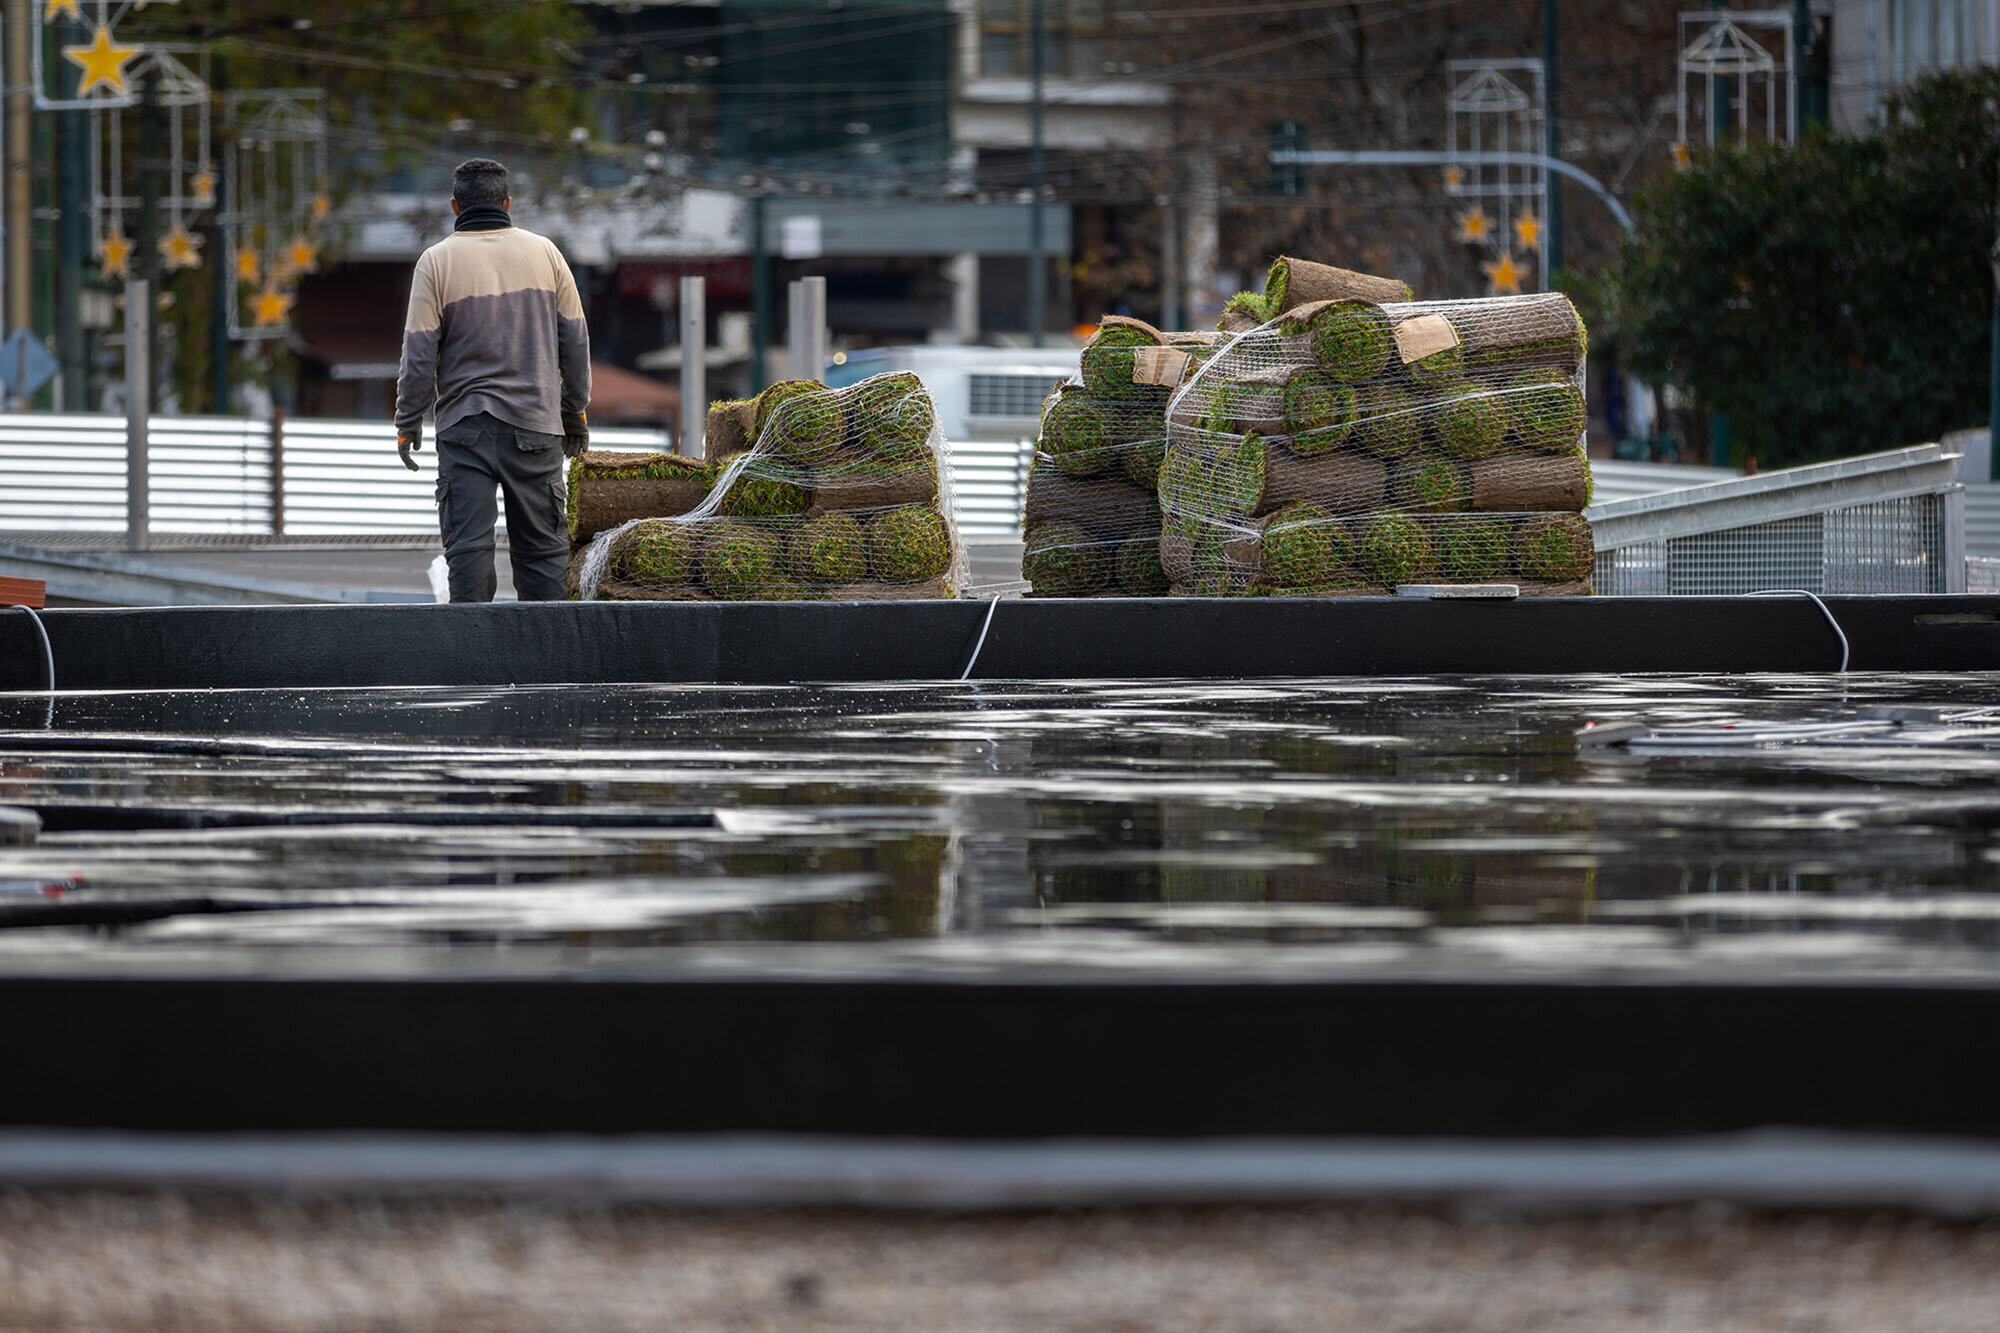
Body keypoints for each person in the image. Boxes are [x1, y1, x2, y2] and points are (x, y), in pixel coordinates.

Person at [393, 157, 591, 602]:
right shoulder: (546, 254)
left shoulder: (435, 262)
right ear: (507, 203)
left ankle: (474, 668)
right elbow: (575, 343)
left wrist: (408, 423)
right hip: (537, 427)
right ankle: (548, 668)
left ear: (454, 207)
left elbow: (419, 353)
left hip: (465, 431)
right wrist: (574, 409)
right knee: (544, 558)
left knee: (468, 556)